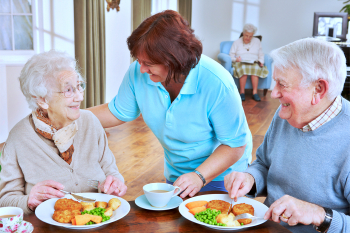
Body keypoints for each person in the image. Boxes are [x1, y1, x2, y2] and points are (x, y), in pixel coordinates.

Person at [89, 10, 252, 198]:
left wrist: (199, 176)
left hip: (223, 177)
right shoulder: (139, 72)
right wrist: (68, 116)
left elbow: (235, 145)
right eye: (139, 61)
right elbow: (117, 111)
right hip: (178, 175)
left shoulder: (217, 83)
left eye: (148, 63)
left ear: (174, 60)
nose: (141, 68)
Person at [224, 38, 350, 233]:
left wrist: (319, 215)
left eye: (282, 84)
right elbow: (264, 163)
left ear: (318, 89)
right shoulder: (286, 113)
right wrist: (250, 179)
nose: (274, 93)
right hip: (266, 227)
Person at [0, 50, 127, 214]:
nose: (79, 97)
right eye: (68, 90)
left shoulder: (90, 122)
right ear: (42, 99)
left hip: (97, 221)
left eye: (79, 86)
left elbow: (112, 172)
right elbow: (5, 201)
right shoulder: (19, 137)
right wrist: (29, 200)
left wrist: (115, 184)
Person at [229, 23, 268, 102]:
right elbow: (231, 55)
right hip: (240, 62)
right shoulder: (237, 42)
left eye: (250, 36)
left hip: (253, 61)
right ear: (243, 33)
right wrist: (236, 59)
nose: (248, 38)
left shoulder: (257, 41)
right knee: (243, 69)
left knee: (256, 69)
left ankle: (255, 93)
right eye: (246, 35)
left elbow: (261, 53)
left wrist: (261, 61)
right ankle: (242, 92)